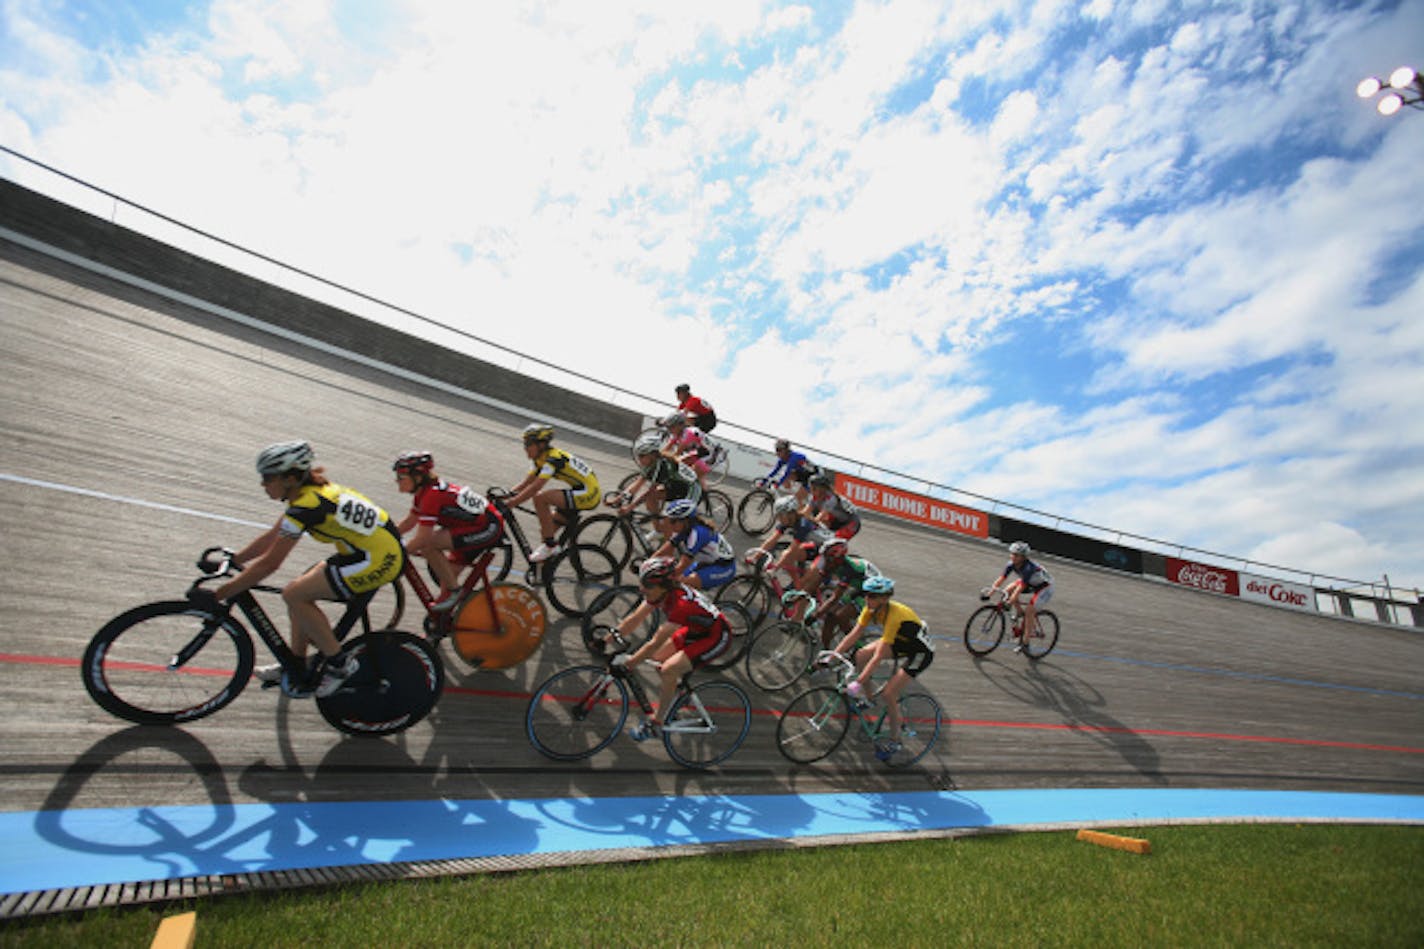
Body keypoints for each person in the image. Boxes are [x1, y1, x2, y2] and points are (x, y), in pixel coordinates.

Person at [202, 441, 405, 697]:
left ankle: (341, 665)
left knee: (294, 594)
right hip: (362, 553)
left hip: (379, 559)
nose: (263, 484)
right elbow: (271, 538)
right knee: (297, 589)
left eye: (267, 478)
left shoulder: (308, 507)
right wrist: (236, 560)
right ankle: (295, 664)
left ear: (290, 478)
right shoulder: (305, 495)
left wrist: (219, 594)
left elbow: (270, 564)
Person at [611, 557, 733, 741]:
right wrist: (606, 640)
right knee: (659, 660)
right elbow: (636, 618)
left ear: (663, 587)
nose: (642, 589)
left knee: (669, 669)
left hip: (716, 637)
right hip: (695, 629)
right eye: (642, 583)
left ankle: (656, 725)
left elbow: (654, 642)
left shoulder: (680, 605)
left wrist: (629, 664)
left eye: (647, 586)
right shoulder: (660, 593)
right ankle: (676, 699)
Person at [826, 575, 935, 761]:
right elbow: (853, 636)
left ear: (885, 598)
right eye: (867, 595)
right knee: (860, 655)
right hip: (900, 643)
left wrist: (858, 682)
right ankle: (869, 699)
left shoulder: (894, 615)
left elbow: (877, 658)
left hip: (919, 653)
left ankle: (895, 740)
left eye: (873, 596)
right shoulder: (870, 610)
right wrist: (830, 657)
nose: (868, 599)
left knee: (889, 694)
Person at [392, 450, 506, 611]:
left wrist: (397, 555)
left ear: (417, 477)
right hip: (472, 526)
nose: (397, 481)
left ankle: (456, 591)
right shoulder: (423, 493)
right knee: (446, 581)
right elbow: (409, 523)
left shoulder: (432, 495)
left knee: (429, 545)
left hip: (487, 526)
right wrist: (388, 537)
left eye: (400, 478)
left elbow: (423, 539)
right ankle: (446, 623)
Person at [505, 423, 601, 563]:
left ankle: (551, 546)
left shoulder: (553, 459)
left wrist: (511, 503)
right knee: (546, 531)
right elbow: (526, 484)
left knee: (540, 498)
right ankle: (544, 571)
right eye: (525, 444)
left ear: (541, 444)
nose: (525, 447)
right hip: (578, 490)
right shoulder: (539, 459)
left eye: (528, 444)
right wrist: (506, 495)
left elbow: (535, 488)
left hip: (588, 492)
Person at [803, 537, 879, 647]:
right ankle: (826, 651)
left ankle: (856, 646)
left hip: (873, 593)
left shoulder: (849, 570)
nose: (825, 562)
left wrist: (815, 615)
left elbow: (835, 598)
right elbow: (814, 584)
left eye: (827, 559)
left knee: (840, 616)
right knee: (830, 617)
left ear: (837, 559)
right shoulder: (831, 563)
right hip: (859, 588)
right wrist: (798, 597)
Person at [982, 541, 1054, 653]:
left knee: (1029, 610)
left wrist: (1010, 602)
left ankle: (1025, 643)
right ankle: (1020, 612)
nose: (1012, 557)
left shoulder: (1028, 568)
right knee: (1006, 590)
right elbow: (1001, 579)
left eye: (1016, 555)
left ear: (1023, 557)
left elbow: (1019, 590)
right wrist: (989, 594)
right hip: (1030, 582)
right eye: (1012, 554)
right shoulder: (1010, 564)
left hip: (1044, 587)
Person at [651, 499, 736, 591]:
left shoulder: (697, 534)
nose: (670, 525)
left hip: (724, 568)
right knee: (674, 580)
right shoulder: (686, 528)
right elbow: (666, 549)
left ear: (685, 521)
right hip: (707, 563)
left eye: (673, 521)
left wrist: (660, 577)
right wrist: (648, 564)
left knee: (676, 583)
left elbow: (683, 564)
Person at [745, 494, 831, 584]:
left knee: (787, 555)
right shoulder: (787, 521)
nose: (779, 519)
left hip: (825, 549)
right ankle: (797, 583)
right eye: (777, 516)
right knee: (788, 557)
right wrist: (755, 557)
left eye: (781, 516)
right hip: (813, 545)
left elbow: (791, 550)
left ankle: (799, 584)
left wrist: (775, 569)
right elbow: (771, 540)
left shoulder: (803, 525)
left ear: (791, 514)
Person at [619, 431, 702, 517]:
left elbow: (649, 491)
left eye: (641, 456)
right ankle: (658, 523)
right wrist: (619, 498)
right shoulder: (651, 462)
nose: (639, 459)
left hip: (691, 489)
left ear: (652, 455)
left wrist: (630, 507)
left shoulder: (663, 466)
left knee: (676, 520)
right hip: (676, 485)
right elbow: (637, 484)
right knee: (651, 499)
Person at [661, 411, 714, 487]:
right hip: (698, 453)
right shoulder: (677, 433)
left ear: (680, 425)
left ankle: (701, 494)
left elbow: (676, 455)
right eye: (668, 427)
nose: (669, 430)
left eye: (671, 427)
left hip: (708, 456)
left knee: (689, 472)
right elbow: (665, 450)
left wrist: (665, 454)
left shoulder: (688, 435)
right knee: (680, 467)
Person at [805, 471, 861, 539]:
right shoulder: (814, 496)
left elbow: (818, 519)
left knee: (833, 540)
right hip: (837, 521)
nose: (811, 492)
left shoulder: (831, 499)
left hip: (851, 522)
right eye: (810, 489)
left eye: (814, 489)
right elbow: (805, 512)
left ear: (822, 489)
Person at [761, 438, 818, 504]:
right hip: (804, 475)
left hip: (814, 477)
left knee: (796, 501)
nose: (777, 453)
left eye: (779, 450)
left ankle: (797, 502)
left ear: (786, 450)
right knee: (786, 477)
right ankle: (790, 495)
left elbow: (786, 474)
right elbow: (775, 471)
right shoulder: (783, 458)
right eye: (776, 450)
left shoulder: (794, 458)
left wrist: (778, 484)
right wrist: (764, 480)